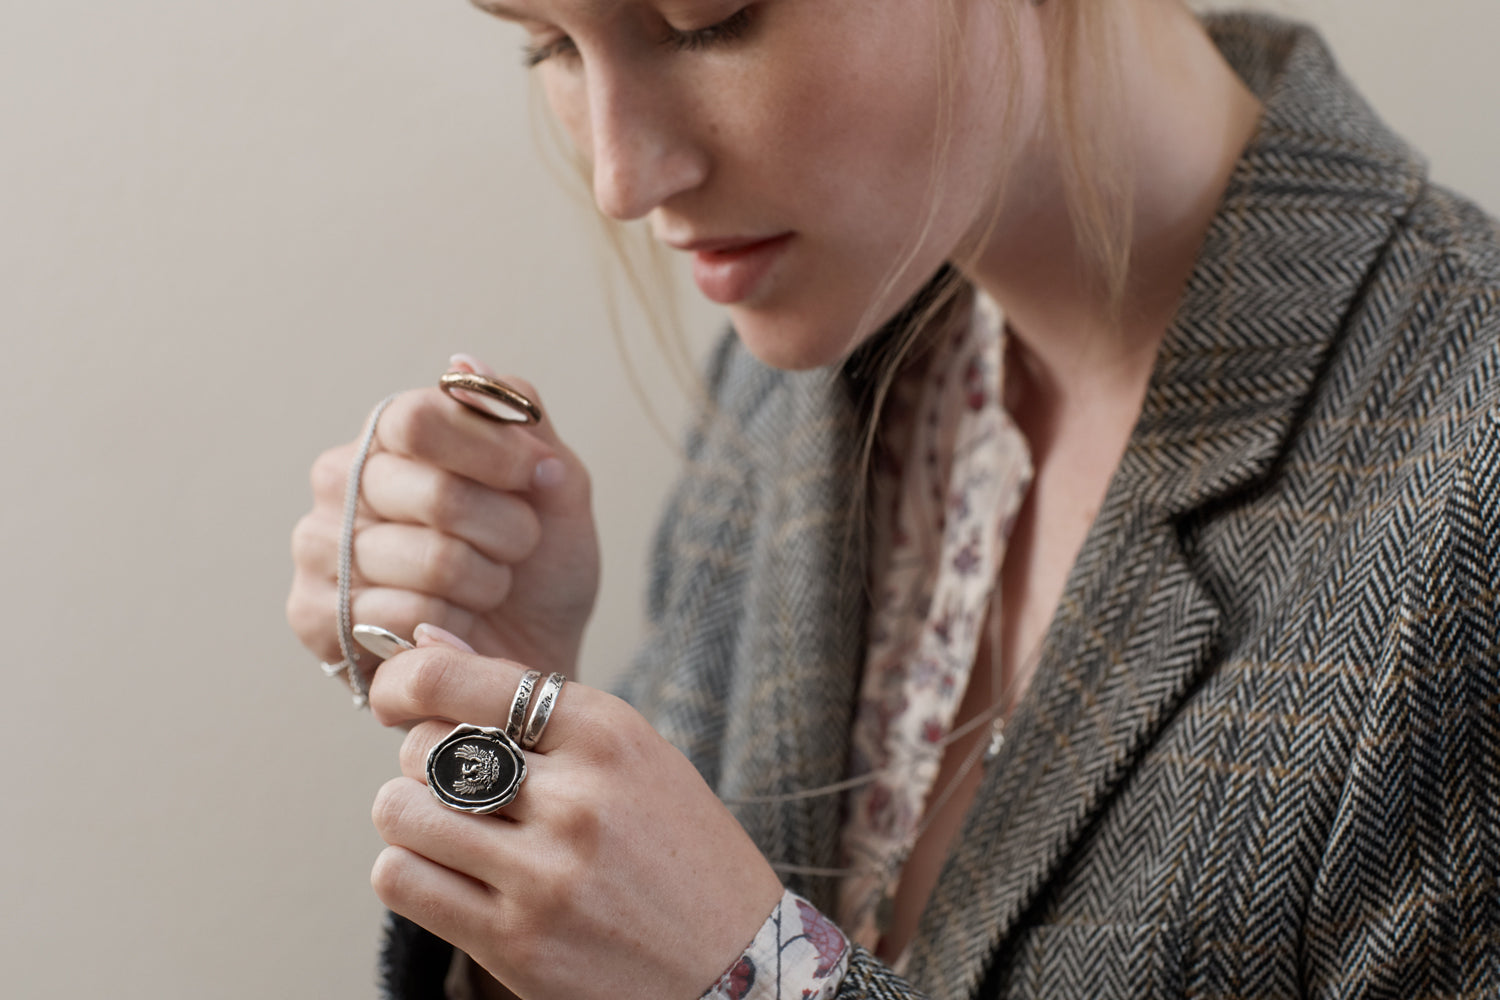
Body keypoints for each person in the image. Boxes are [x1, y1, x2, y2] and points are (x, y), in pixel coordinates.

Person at [286, 1, 1500, 998]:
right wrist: (512, 726)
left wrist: (762, 979)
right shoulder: (811, 370)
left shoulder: (1462, 499)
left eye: (711, 22)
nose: (623, 175)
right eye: (547, 43)